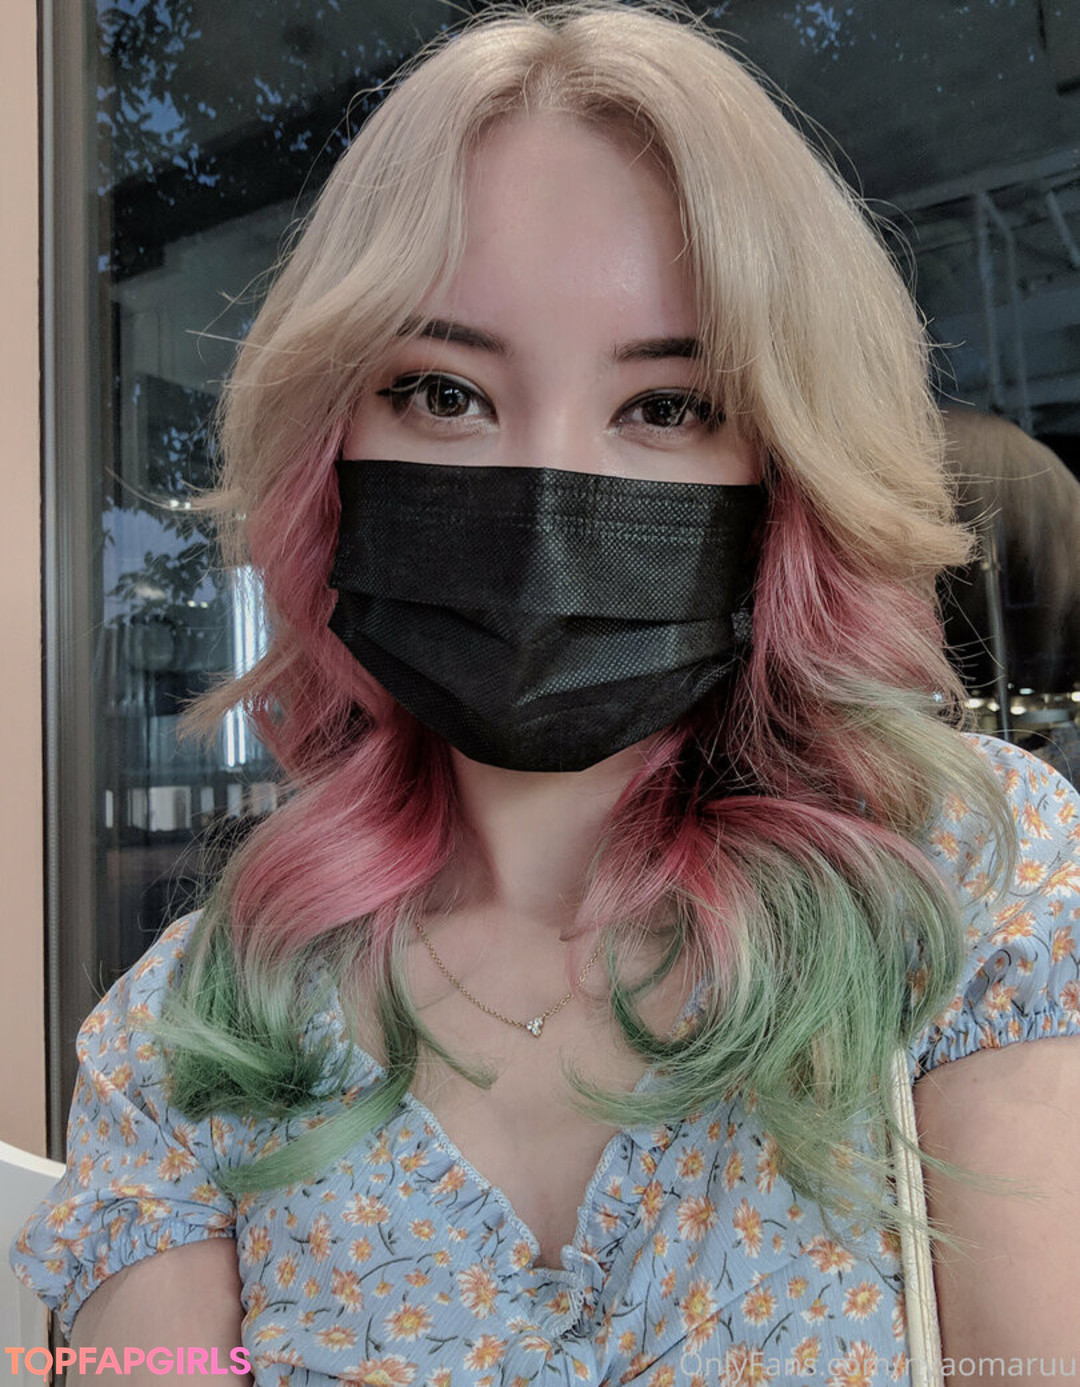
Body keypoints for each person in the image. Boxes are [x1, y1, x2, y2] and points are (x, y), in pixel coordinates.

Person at [12, 4, 1080, 1383]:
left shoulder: (971, 885)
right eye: (444, 392)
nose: (546, 510)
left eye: (669, 406)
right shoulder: (182, 1041)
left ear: (783, 469)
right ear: (329, 441)